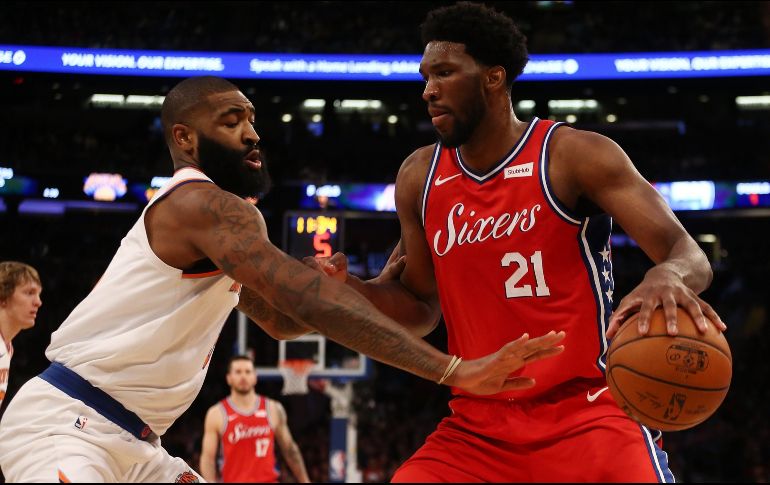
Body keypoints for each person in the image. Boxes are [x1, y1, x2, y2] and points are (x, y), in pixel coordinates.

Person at [0, 75, 566, 482]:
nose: (252, 134)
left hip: (138, 444)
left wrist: (349, 287)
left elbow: (281, 325)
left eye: (251, 118)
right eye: (231, 121)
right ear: (185, 140)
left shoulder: (221, 229)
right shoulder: (205, 204)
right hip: (66, 426)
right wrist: (452, 370)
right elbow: (310, 308)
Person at [308, 2, 728, 482]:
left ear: (493, 77)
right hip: (478, 426)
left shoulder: (574, 156)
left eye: (444, 73)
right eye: (425, 77)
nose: (428, 90)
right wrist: (352, 290)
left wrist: (666, 276)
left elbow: (688, 253)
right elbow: (421, 308)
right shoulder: (418, 176)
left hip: (590, 412)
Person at [199, 355, 310, 483]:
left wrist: (305, 480)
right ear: (229, 378)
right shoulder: (216, 413)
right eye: (238, 372)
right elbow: (208, 459)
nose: (243, 376)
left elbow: (290, 450)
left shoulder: (273, 409)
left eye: (247, 372)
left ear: (255, 377)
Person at [0, 261, 42, 407]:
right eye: (29, 293)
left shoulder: (7, 347)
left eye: (38, 294)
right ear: (3, 296)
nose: (38, 302)